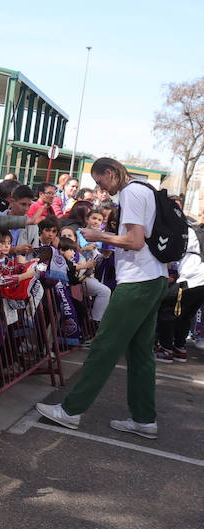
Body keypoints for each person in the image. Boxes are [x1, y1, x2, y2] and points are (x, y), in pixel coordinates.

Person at [38, 158, 169, 438]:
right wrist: (111, 243)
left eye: (100, 181)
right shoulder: (144, 189)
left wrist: (100, 236)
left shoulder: (132, 192)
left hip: (138, 282)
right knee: (141, 353)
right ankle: (145, 419)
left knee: (105, 346)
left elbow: (135, 241)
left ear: (110, 173)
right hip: (154, 276)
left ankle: (71, 411)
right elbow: (138, 240)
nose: (101, 189)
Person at [157, 218, 204, 361]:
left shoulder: (189, 230)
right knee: (185, 313)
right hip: (198, 280)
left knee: (167, 307)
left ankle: (166, 349)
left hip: (191, 279)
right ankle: (179, 347)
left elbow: (173, 251)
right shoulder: (194, 231)